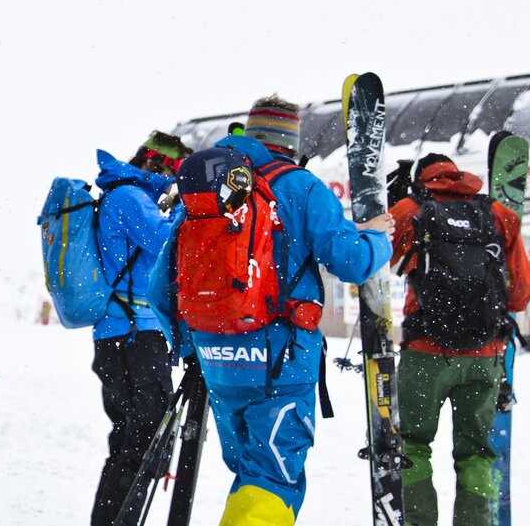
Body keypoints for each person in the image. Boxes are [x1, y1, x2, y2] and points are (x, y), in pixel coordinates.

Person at [150, 95, 392, 525]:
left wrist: (191, 345)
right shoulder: (301, 186)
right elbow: (350, 260)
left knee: (248, 471)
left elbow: (159, 287)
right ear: (291, 140)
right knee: (271, 477)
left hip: (215, 356)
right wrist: (378, 238)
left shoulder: (207, 187)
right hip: (281, 358)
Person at [387, 154, 530, 526]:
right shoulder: (498, 214)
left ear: (421, 179)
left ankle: (419, 522)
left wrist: (391, 207)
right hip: (484, 354)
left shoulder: (412, 209)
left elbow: (372, 262)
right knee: (475, 453)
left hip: (426, 353)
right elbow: (520, 293)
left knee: (413, 446)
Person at [85, 132, 190, 526]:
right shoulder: (130, 197)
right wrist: (184, 210)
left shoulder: (126, 194)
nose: (175, 179)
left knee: (134, 440)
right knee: (144, 440)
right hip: (132, 335)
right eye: (174, 169)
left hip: (125, 334)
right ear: (155, 163)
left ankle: (113, 520)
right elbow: (169, 243)